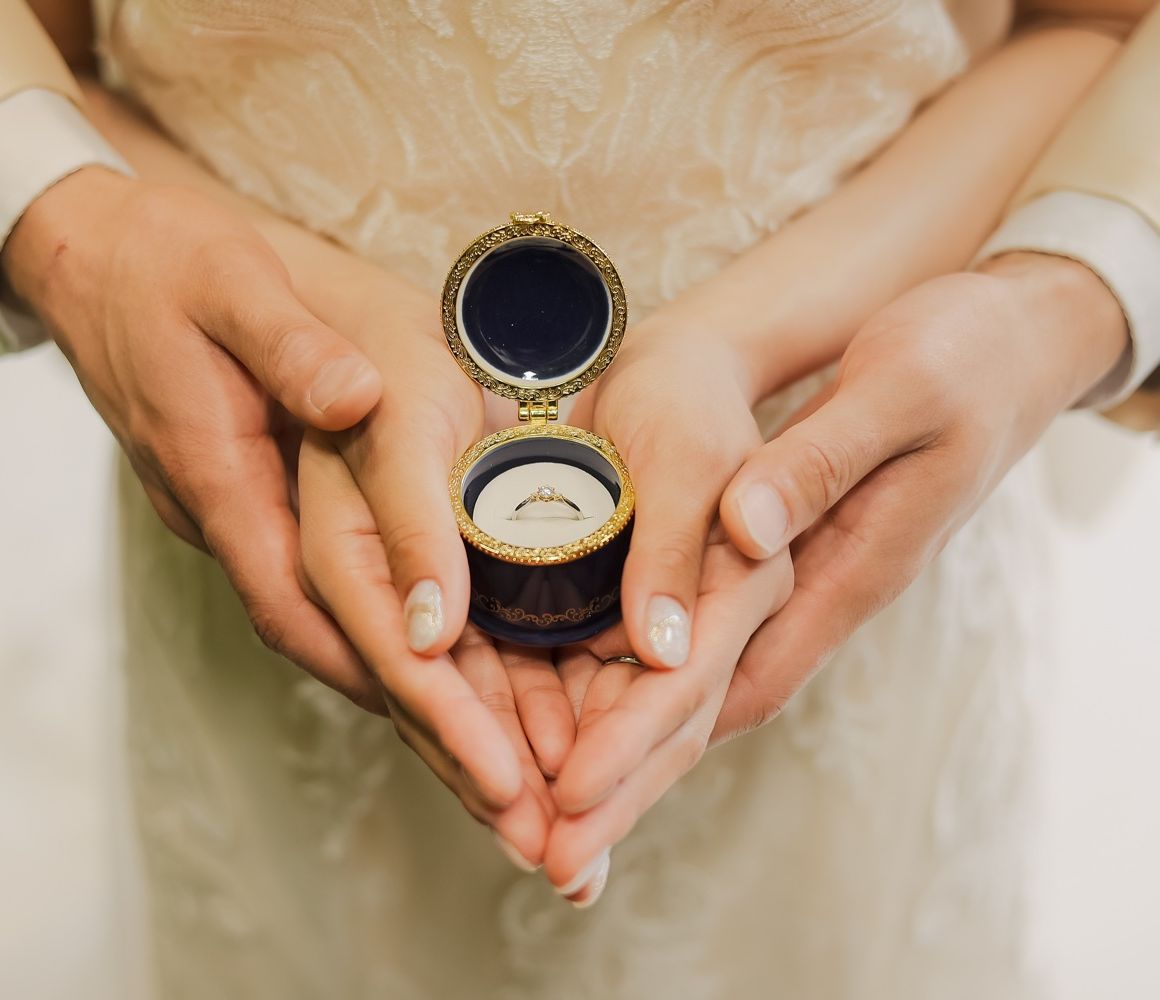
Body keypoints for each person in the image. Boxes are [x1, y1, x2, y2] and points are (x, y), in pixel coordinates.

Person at [1, 1, 1157, 996]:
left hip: (854, 482)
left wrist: (1056, 303)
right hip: (264, 476)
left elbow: (1095, 20)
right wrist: (69, 228)